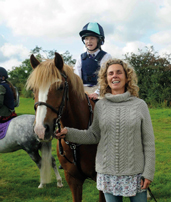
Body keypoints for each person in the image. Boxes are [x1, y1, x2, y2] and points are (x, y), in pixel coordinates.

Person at [56, 58, 155, 202]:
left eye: (119, 72)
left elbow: (149, 142)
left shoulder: (140, 105)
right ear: (106, 79)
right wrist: (69, 133)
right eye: (110, 73)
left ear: (127, 77)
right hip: (108, 175)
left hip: (136, 174)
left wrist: (148, 172)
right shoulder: (101, 106)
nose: (114, 76)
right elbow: (93, 135)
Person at [74, 22, 112, 100]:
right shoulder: (80, 57)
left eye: (92, 38)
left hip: (100, 90)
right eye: (86, 38)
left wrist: (96, 93)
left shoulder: (106, 56)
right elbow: (77, 77)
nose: (89, 41)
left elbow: (105, 77)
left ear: (99, 40)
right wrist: (82, 91)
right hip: (83, 90)